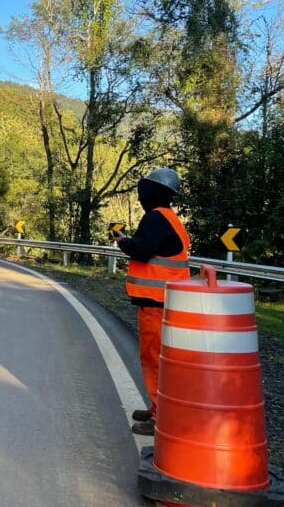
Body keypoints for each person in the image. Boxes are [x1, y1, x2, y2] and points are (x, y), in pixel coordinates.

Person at [114, 168, 191, 436]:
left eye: (144, 188)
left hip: (156, 303)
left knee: (154, 359)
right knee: (160, 358)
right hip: (166, 302)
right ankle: (158, 407)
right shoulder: (170, 218)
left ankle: (161, 416)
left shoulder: (156, 218)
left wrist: (124, 242)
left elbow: (143, 250)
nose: (140, 193)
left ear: (153, 192)